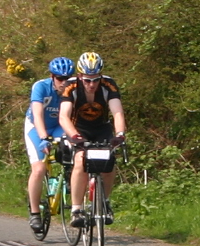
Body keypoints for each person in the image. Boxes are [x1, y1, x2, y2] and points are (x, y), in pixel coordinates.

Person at [58, 51, 126, 229]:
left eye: (95, 79)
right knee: (80, 160)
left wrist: (119, 134)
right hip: (78, 129)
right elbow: (63, 117)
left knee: (109, 161)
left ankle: (104, 201)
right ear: (80, 76)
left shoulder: (108, 84)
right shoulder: (70, 86)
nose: (91, 84)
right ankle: (76, 209)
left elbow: (117, 112)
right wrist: (74, 136)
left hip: (101, 128)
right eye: (87, 80)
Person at [25, 56, 76, 233]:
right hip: (37, 126)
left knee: (74, 147)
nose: (64, 83)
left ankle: (70, 177)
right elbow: (37, 115)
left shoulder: (75, 88)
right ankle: (34, 212)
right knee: (39, 169)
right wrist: (43, 137)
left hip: (59, 126)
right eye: (60, 79)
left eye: (68, 79)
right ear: (52, 76)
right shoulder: (41, 86)